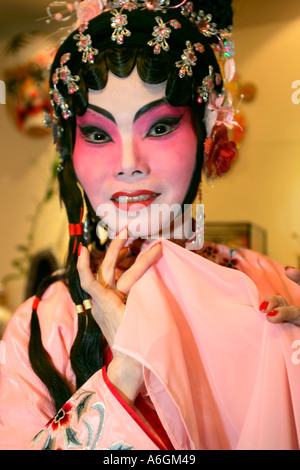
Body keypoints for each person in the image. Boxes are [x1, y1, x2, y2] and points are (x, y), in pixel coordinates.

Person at [0, 0, 300, 451]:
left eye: (159, 127)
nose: (128, 164)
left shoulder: (269, 286)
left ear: (208, 134)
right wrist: (123, 371)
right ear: (69, 153)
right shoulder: (45, 325)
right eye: (98, 134)